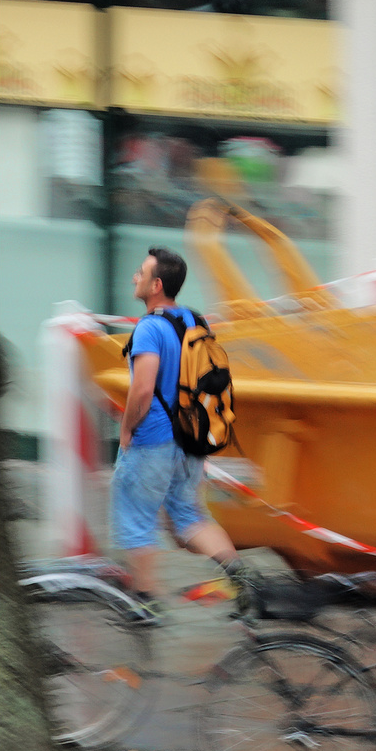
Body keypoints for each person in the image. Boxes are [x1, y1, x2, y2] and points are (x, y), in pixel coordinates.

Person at [112, 246, 255, 624]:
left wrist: (126, 429)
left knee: (136, 515)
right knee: (189, 516)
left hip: (153, 440)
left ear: (156, 285)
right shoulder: (195, 321)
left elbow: (142, 390)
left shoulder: (149, 328)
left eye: (140, 273)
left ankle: (144, 604)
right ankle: (241, 578)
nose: (134, 278)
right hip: (192, 438)